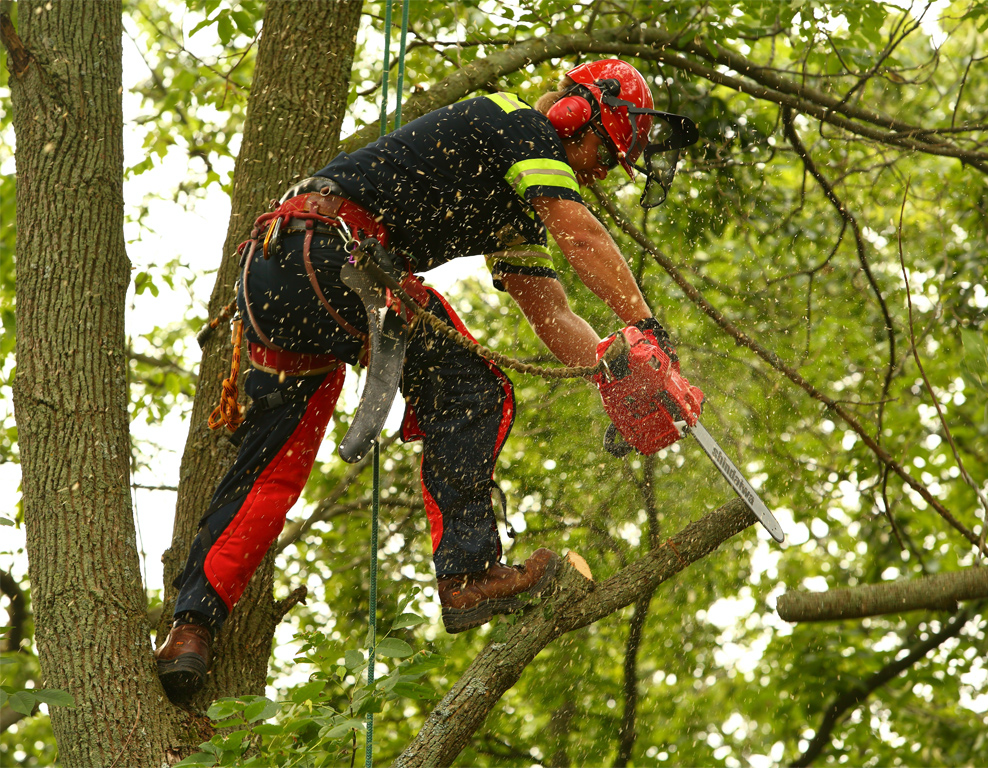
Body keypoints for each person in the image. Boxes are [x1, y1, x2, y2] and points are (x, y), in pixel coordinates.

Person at [155, 59, 701, 700]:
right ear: (574, 114)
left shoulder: (515, 202)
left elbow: (550, 310)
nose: (599, 170)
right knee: (475, 387)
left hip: (282, 277)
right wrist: (649, 328)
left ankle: (189, 630)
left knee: (270, 472)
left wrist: (614, 368)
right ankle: (468, 572)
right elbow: (581, 235)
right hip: (338, 255)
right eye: (603, 150)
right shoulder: (521, 126)